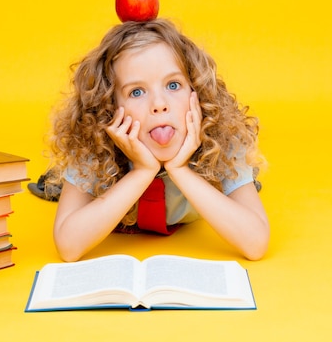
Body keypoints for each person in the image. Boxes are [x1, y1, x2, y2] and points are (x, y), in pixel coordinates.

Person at [39, 18, 269, 262]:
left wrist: (179, 169)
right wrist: (142, 171)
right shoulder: (94, 145)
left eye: (173, 85)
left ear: (197, 93)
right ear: (109, 106)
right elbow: (68, 247)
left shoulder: (221, 141)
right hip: (108, 183)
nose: (159, 105)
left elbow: (256, 244)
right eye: (136, 92)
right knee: (56, 185)